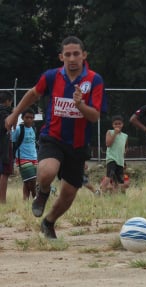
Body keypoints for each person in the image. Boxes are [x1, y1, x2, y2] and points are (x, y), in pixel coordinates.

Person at [5, 36, 105, 238]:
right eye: (67, 54)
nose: (72, 58)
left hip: (78, 144)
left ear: (84, 55)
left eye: (76, 53)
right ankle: (42, 193)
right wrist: (15, 113)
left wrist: (80, 105)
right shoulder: (51, 76)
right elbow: (33, 94)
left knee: (69, 194)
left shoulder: (94, 80)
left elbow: (95, 116)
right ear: (61, 57)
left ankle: (49, 222)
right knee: (46, 172)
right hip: (53, 137)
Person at [12, 108, 38, 200]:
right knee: (32, 179)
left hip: (34, 158)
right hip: (22, 157)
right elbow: (13, 141)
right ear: (22, 118)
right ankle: (36, 198)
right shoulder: (19, 129)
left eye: (31, 118)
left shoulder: (34, 128)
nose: (29, 119)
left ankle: (25, 200)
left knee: (27, 181)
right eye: (27, 117)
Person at [104, 115, 128, 193]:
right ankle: (102, 190)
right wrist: (115, 134)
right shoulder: (110, 132)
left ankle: (117, 195)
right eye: (115, 124)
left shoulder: (125, 136)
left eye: (119, 123)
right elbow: (108, 144)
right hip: (111, 158)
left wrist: (124, 161)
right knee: (110, 175)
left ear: (122, 124)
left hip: (120, 161)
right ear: (112, 125)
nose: (117, 125)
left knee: (119, 180)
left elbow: (125, 148)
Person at [0, 91, 13, 204]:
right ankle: (2, 200)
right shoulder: (6, 113)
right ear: (8, 101)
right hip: (3, 146)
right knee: (5, 172)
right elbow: (6, 128)